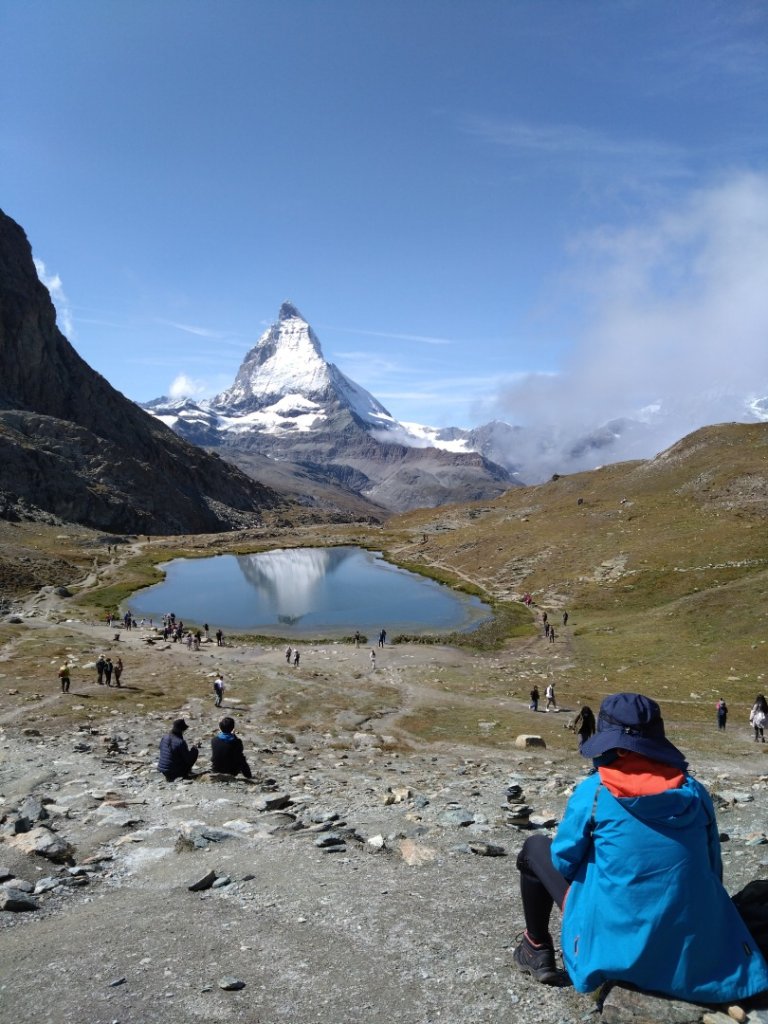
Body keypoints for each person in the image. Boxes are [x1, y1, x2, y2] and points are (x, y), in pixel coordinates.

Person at [513, 692, 768, 1002]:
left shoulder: (594, 792)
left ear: (612, 745)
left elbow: (563, 861)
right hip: (695, 951)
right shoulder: (695, 792)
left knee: (535, 847)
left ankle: (536, 947)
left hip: (617, 950)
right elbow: (713, 871)